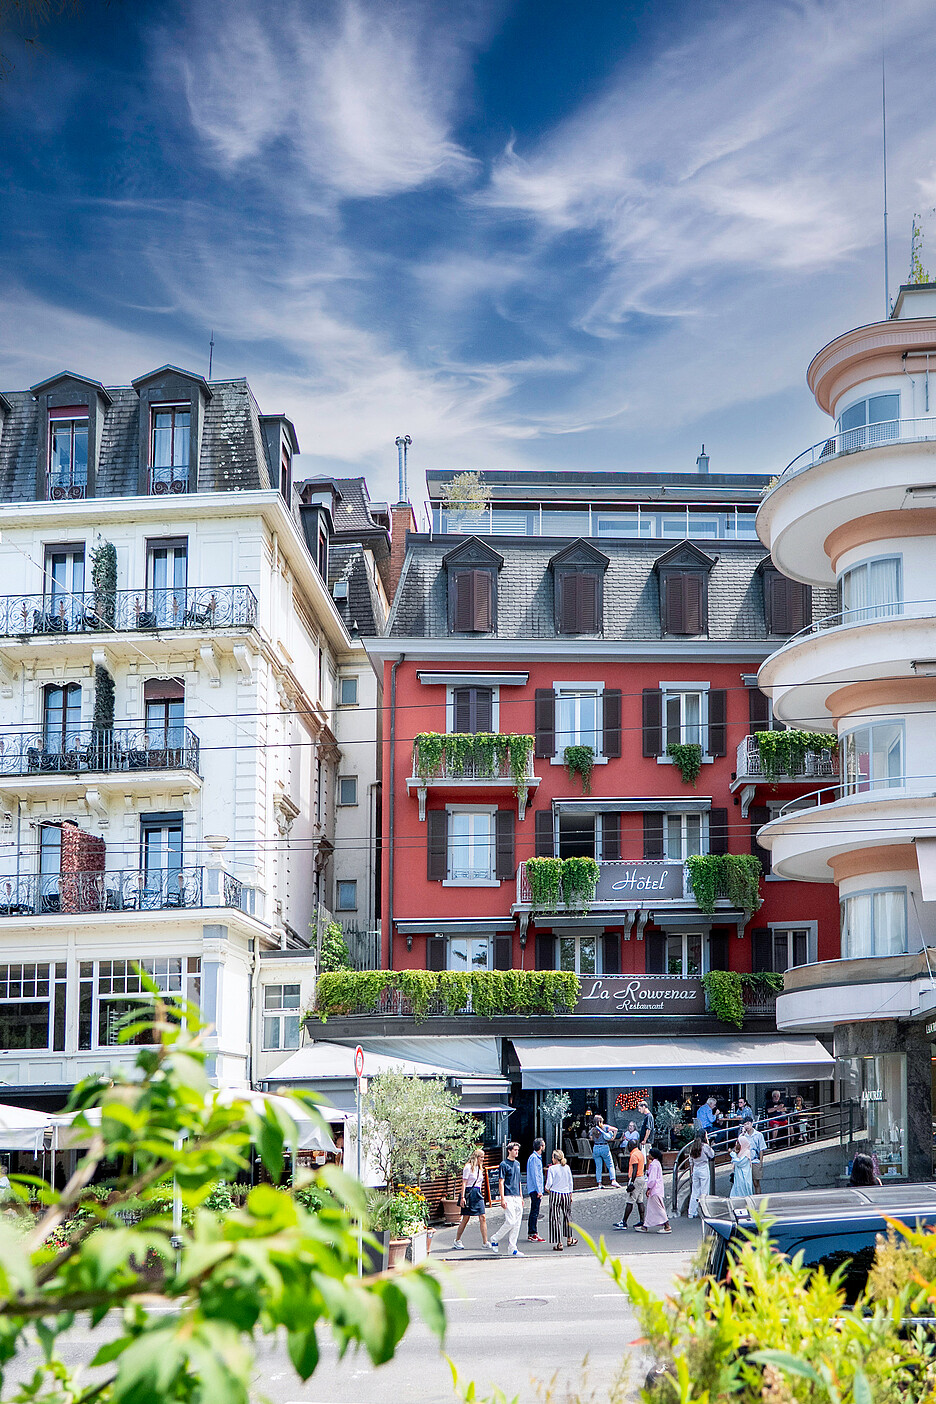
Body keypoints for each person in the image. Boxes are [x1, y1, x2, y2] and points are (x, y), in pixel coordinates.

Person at [453, 1149, 497, 1253]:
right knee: (466, 1218)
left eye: (483, 1157)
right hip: (469, 1192)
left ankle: (485, 1242)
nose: (483, 1159)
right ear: (476, 1157)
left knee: (483, 1217)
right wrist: (462, 1197)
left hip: (478, 1193)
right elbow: (464, 1183)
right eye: (481, 1157)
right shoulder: (468, 1167)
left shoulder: (479, 1168)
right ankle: (457, 1240)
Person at [492, 1141, 524, 1257]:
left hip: (516, 1196)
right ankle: (495, 1238)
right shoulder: (503, 1164)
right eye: (515, 1150)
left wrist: (521, 1196)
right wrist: (502, 1198)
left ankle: (512, 1247)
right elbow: (501, 1182)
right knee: (510, 1221)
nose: (517, 1152)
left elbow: (519, 1181)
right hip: (508, 1195)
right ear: (509, 1151)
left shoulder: (517, 1164)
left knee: (517, 1223)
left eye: (517, 1150)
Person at [546, 1149, 577, 1251]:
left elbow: (549, 1183)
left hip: (555, 1193)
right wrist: (570, 1194)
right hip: (566, 1194)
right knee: (568, 1216)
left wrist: (547, 1188)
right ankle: (569, 1238)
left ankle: (559, 1242)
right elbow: (570, 1182)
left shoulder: (552, 1169)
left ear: (555, 1159)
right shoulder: (567, 1168)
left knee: (555, 1217)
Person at [613, 1139, 647, 1230]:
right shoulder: (640, 1153)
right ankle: (642, 1220)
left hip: (636, 1179)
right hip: (641, 1178)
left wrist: (631, 1182)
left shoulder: (634, 1155)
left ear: (631, 1146)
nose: (627, 1147)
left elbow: (634, 1169)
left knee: (630, 1200)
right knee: (640, 1201)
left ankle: (624, 1222)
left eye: (628, 1145)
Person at [635, 1148, 671, 1233]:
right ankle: (645, 1226)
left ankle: (667, 1225)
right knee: (651, 1208)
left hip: (655, 1190)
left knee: (658, 1208)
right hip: (657, 1189)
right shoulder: (656, 1164)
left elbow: (652, 1179)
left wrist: (649, 1188)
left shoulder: (654, 1165)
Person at [687, 1132, 715, 1218]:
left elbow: (690, 1160)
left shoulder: (693, 1146)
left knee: (695, 1191)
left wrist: (692, 1172)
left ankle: (691, 1212)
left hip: (695, 1169)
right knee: (704, 1191)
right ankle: (704, 1211)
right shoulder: (705, 1146)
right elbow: (712, 1155)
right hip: (703, 1168)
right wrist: (709, 1144)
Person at [589, 1114, 619, 1188]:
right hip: (604, 1146)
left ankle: (599, 1183)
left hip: (596, 1147)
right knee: (610, 1164)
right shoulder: (605, 1127)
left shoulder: (592, 1129)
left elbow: (591, 1138)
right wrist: (613, 1138)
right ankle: (613, 1180)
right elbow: (616, 1129)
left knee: (598, 1166)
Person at [526, 1138, 546, 1242]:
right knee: (534, 1211)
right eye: (543, 1145)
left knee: (535, 1210)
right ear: (540, 1147)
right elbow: (535, 1175)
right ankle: (532, 1233)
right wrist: (539, 1190)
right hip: (535, 1189)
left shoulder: (536, 1157)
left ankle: (533, 1232)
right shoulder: (534, 1158)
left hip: (535, 1188)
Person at [742, 1114, 767, 1193]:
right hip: (745, 1161)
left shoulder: (758, 1135)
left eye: (748, 1124)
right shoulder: (743, 1135)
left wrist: (761, 1162)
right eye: (745, 1124)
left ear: (752, 1124)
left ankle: (758, 1198)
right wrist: (742, 1134)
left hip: (755, 1160)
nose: (747, 1126)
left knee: (756, 1182)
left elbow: (761, 1149)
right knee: (746, 1183)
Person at [729, 1135, 754, 1199]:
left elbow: (740, 1163)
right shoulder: (740, 1153)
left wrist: (733, 1155)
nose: (736, 1145)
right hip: (738, 1179)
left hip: (744, 1179)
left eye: (738, 1143)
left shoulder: (746, 1153)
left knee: (743, 1195)